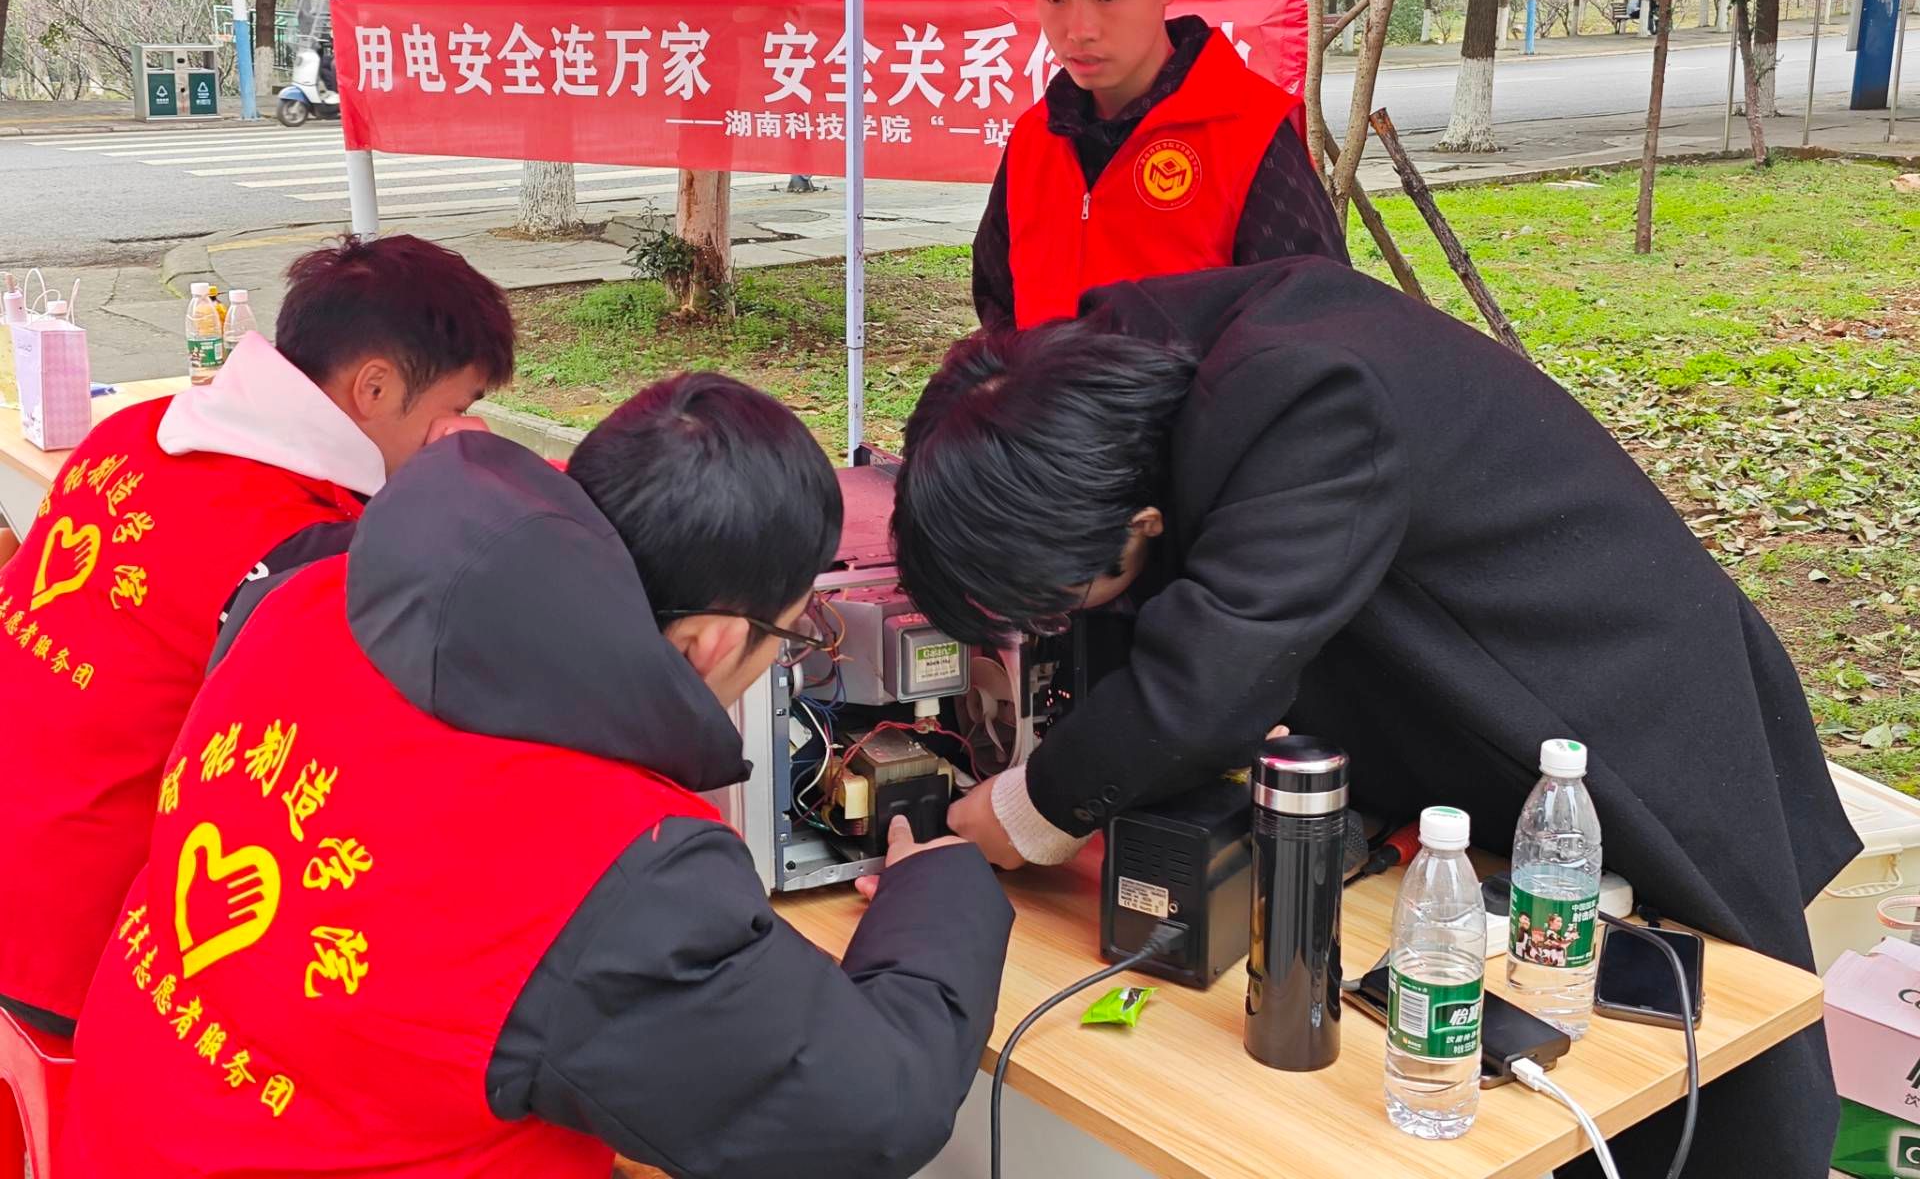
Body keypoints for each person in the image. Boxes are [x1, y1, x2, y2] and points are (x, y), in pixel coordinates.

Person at [892, 258, 1858, 1178]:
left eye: (1058, 604)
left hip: (1622, 700)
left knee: (1708, 1049)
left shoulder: (1310, 393)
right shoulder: (1116, 379)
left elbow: (1211, 675)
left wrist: (1025, 812)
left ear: (1139, 525)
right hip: (1465, 709)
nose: (1058, 627)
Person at [60, 373, 1012, 1179]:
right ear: (713, 642)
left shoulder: (305, 598)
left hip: (116, 1131)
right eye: (797, 634)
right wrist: (940, 885)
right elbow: (871, 1112)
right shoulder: (611, 868)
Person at [0, 234, 514, 1037]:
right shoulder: (305, 551)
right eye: (458, 407)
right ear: (375, 386)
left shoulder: (134, 431)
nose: (458, 433)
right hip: (85, 951)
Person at [971, 0, 1346, 331]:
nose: (1079, 30)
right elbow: (999, 304)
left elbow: (1315, 328)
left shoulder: (1251, 135)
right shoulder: (1034, 138)